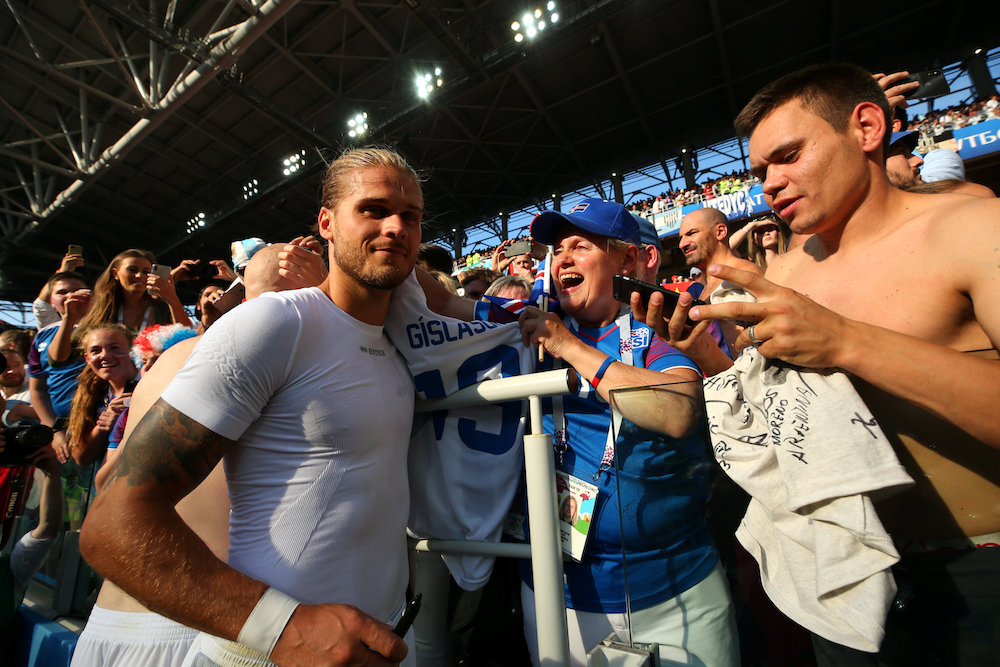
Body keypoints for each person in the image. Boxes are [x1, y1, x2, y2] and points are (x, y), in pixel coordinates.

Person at [654, 62, 1000, 665]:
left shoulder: (973, 229)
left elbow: (840, 346)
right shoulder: (783, 273)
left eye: (789, 155)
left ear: (866, 127)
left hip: (980, 571)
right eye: (761, 170)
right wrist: (706, 356)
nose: (770, 182)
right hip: (841, 577)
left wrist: (844, 339)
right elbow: (778, 414)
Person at [80, 146, 424, 666]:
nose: (396, 227)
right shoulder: (276, 323)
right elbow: (111, 524)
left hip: (374, 646)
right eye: (374, 210)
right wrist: (282, 628)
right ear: (326, 224)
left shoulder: (405, 342)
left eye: (411, 216)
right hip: (262, 653)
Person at [515, 199, 738, 666]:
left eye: (581, 246)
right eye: (557, 250)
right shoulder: (529, 322)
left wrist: (570, 348)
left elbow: (676, 411)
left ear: (628, 259)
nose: (564, 259)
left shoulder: (659, 327)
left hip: (675, 590)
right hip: (559, 595)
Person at [28, 271, 90, 463]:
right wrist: (54, 431)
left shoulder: (108, 329)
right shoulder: (42, 336)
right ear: (52, 302)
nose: (70, 296)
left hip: (101, 426)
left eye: (77, 290)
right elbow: (38, 389)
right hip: (63, 432)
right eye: (62, 292)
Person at [74, 249, 191, 336]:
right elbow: (75, 344)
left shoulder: (164, 308)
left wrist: (172, 299)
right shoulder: (103, 308)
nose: (139, 275)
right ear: (115, 274)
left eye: (146, 271)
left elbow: (188, 336)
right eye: (132, 270)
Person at [66, 325, 138, 467]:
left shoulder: (149, 382)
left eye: (114, 348)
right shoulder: (90, 393)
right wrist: (103, 426)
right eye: (95, 350)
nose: (104, 355)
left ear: (131, 350)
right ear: (87, 358)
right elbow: (82, 458)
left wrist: (126, 422)